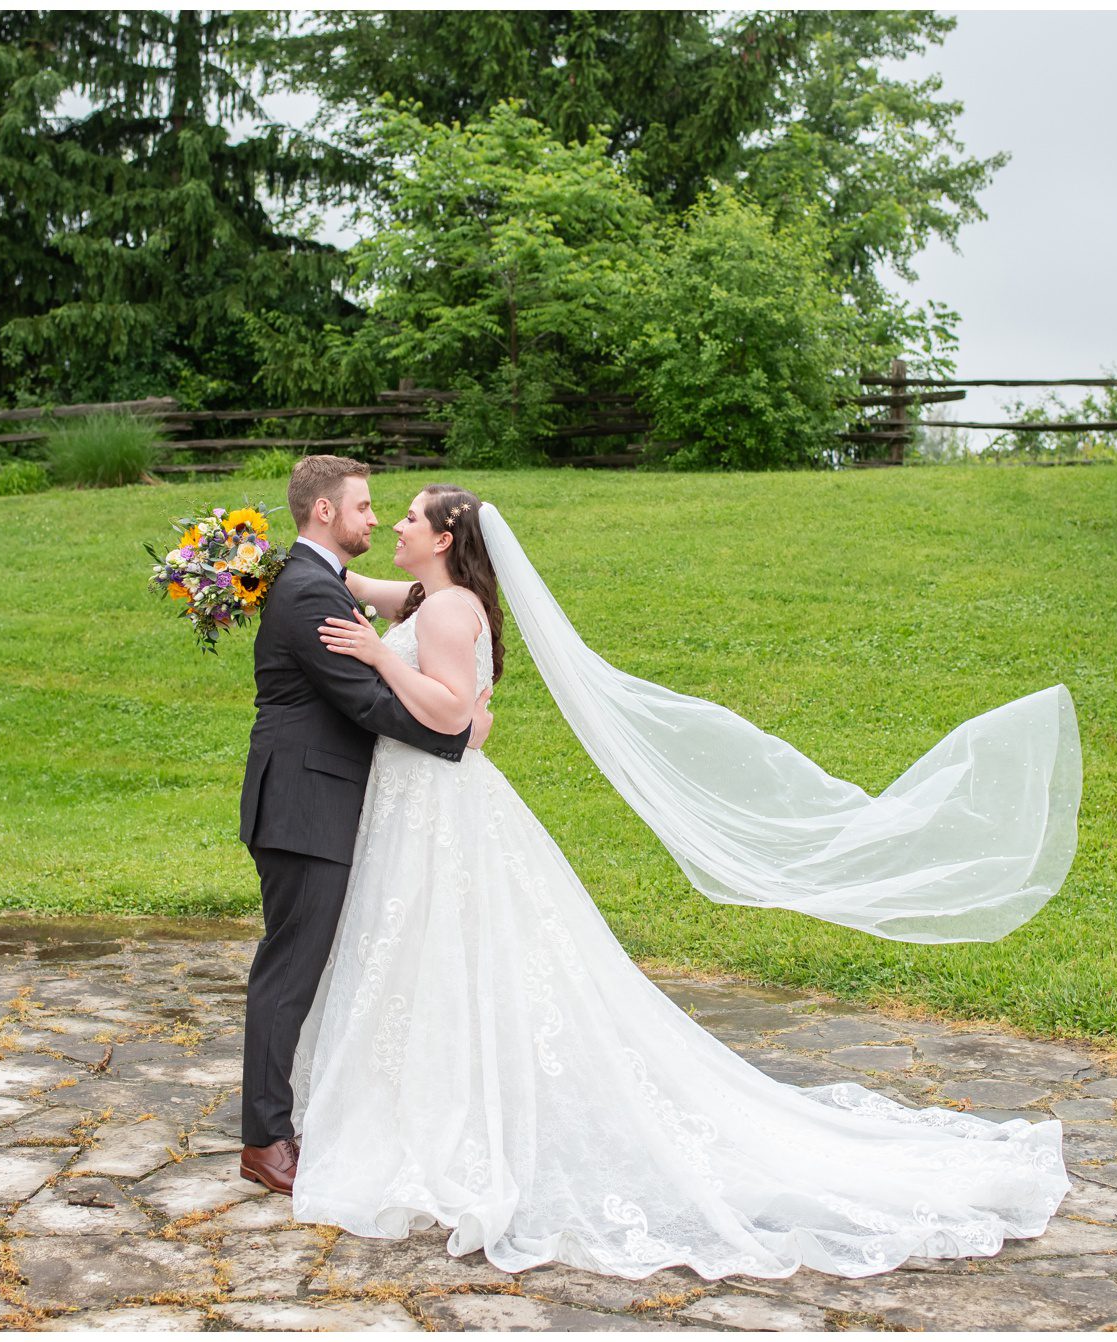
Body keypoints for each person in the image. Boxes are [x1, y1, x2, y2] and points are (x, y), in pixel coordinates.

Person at [289, 482, 1073, 1281]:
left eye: (412, 517)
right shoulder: (431, 596)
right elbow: (346, 585)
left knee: (443, 948)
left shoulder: (449, 612)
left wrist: (383, 654)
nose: (395, 522)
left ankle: (445, 1117)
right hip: (419, 803)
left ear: (447, 538)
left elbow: (457, 717)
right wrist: (237, 558)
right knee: (429, 954)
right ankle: (422, 1103)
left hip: (438, 805)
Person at [236, 457, 492, 1195]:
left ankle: (285, 1123)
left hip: (319, 800)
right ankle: (264, 1141)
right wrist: (459, 736)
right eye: (364, 507)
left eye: (392, 510)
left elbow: (413, 604)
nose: (376, 520)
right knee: (288, 972)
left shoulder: (320, 580)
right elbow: (367, 702)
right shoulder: (309, 590)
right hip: (304, 805)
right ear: (324, 514)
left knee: (310, 967)